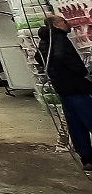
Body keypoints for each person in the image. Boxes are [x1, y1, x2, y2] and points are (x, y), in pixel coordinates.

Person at [38, 15, 92, 171]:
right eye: (63, 21)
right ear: (56, 25)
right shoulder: (59, 38)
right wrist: (82, 73)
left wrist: (54, 73)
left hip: (62, 89)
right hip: (76, 87)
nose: (67, 24)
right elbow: (61, 56)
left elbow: (39, 57)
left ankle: (87, 159)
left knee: (76, 124)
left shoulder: (45, 40)